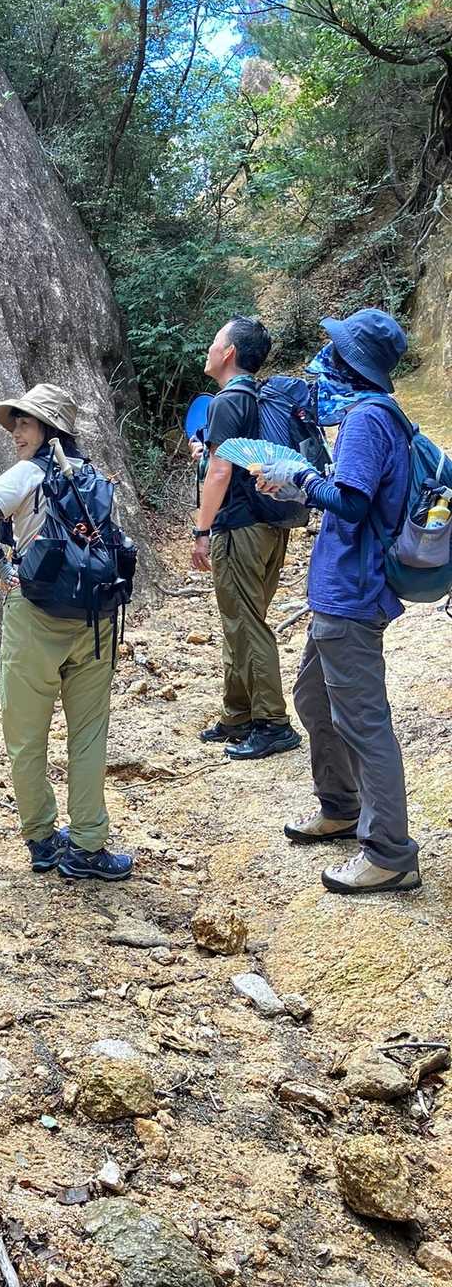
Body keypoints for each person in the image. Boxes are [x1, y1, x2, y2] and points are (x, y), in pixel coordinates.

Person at [256, 309, 420, 895]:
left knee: (364, 723)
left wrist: (299, 478)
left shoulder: (367, 418)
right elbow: (354, 494)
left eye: (335, 349)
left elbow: (351, 502)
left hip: (353, 594)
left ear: (351, 362)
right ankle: (341, 807)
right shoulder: (374, 415)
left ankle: (390, 853)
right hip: (339, 592)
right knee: (313, 697)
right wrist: (301, 481)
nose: (323, 358)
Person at [0, 384, 132, 882]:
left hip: (34, 614)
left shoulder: (28, 473)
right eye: (15, 423)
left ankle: (41, 839)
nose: (16, 432)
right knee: (88, 734)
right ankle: (88, 846)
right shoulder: (94, 477)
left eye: (25, 423)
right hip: (94, 619)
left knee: (26, 734)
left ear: (48, 428)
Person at [189, 317, 301, 761]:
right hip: (271, 524)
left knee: (247, 623)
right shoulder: (258, 397)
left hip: (239, 528)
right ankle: (238, 713)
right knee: (241, 618)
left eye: (215, 341)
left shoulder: (226, 401)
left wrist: (201, 530)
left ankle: (273, 723)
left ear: (229, 352)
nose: (209, 348)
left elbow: (220, 472)